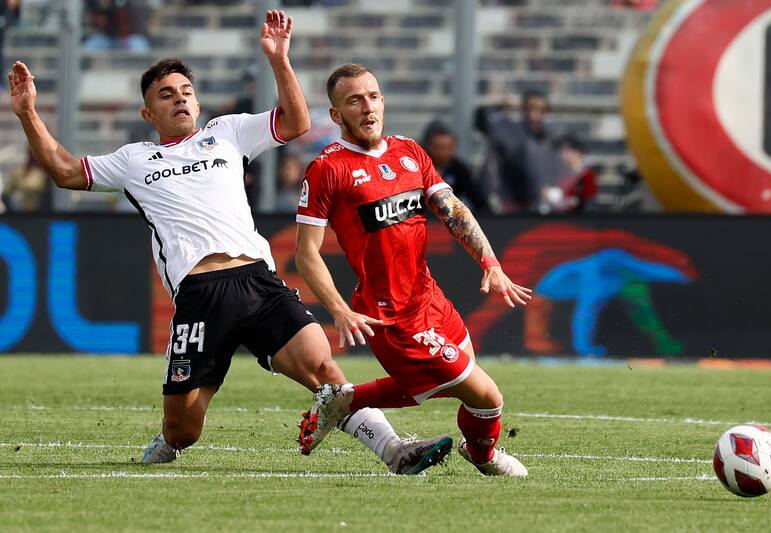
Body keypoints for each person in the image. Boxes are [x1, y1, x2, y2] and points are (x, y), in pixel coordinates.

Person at [8, 12, 450, 476]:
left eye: (186, 92)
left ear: (197, 104)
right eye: (166, 95)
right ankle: (170, 437)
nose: (179, 99)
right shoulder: (134, 160)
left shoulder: (227, 132)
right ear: (148, 113)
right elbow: (64, 171)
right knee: (184, 430)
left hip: (259, 282)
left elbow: (296, 122)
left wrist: (279, 60)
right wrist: (28, 113)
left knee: (327, 374)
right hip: (201, 296)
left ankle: (395, 451)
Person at [295, 64, 532, 476]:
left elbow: (451, 209)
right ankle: (485, 457)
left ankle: (344, 400)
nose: (367, 107)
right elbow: (305, 253)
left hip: (430, 300)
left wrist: (490, 261)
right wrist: (338, 309)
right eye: (354, 100)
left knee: (462, 392)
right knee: (488, 396)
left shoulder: (409, 151)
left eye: (373, 96)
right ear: (336, 115)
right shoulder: (327, 169)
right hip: (389, 314)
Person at [476, 90, 564, 213]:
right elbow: (481, 119)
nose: (535, 116)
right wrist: (500, 106)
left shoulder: (550, 140)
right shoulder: (507, 130)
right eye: (530, 109)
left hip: (537, 204)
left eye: (541, 111)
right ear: (523, 110)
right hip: (506, 201)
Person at [421, 121, 487, 213]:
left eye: (448, 148)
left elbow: (479, 201)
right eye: (439, 148)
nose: (443, 153)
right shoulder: (417, 168)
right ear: (428, 147)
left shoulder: (459, 170)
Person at [2, 148, 48, 212]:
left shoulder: (50, 173)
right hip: (24, 215)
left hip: (46, 215)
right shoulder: (20, 173)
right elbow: (6, 194)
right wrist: (11, 213)